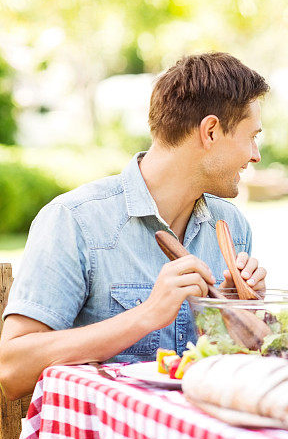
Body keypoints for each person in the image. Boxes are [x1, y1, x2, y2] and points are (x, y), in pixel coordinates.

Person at [0, 52, 269, 399]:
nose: (255, 154)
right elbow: (11, 370)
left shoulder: (230, 226)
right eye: (252, 136)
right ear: (211, 131)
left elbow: (237, 370)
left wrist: (241, 313)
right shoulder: (75, 221)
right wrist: (146, 316)